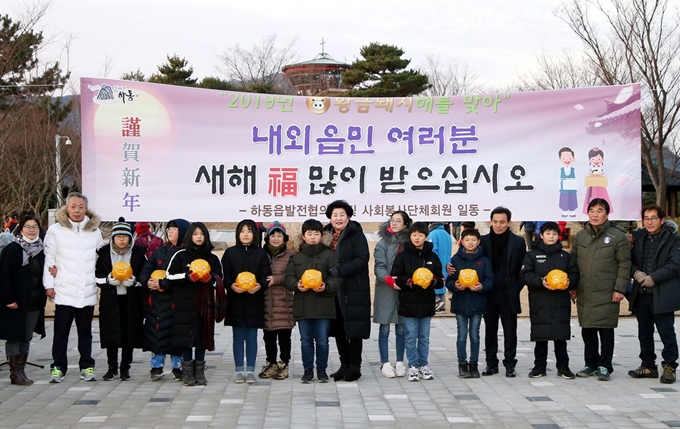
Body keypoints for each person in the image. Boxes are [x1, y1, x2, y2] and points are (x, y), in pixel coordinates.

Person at [43, 192, 104, 383]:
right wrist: (49, 285)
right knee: (61, 331)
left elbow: (101, 258)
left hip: (86, 290)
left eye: (81, 207)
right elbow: (49, 259)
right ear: (66, 208)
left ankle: (86, 366)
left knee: (85, 332)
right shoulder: (55, 230)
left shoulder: (94, 231)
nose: (77, 211)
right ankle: (58, 367)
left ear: (86, 209)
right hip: (64, 290)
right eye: (73, 206)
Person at [571, 198, 631, 381]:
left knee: (605, 329)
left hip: (607, 290)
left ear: (607, 213)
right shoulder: (581, 236)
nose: (595, 214)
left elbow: (624, 264)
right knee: (587, 328)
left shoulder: (617, 236)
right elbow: (572, 262)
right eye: (592, 211)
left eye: (599, 211)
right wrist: (572, 286)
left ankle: (605, 365)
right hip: (584, 290)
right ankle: (591, 364)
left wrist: (620, 288)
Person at [520, 221, 580, 379]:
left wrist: (569, 282)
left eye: (554, 234)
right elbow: (525, 275)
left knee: (560, 337)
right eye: (548, 234)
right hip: (540, 301)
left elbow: (574, 273)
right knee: (541, 337)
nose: (551, 237)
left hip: (560, 301)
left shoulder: (564, 256)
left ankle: (563, 367)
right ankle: (539, 366)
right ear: (541, 235)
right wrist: (540, 281)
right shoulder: (532, 255)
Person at [285, 219, 342, 383]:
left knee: (323, 341)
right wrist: (296, 285)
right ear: (303, 236)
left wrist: (326, 286)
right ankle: (307, 370)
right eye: (309, 234)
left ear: (321, 236)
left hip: (324, 305)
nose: (312, 237)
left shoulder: (329, 255)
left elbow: (337, 278)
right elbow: (288, 277)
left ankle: (322, 370)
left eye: (316, 234)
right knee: (305, 340)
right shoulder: (297, 257)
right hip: (303, 305)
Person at [167, 222, 224, 386]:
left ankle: (199, 372)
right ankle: (187, 373)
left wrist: (211, 280)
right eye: (195, 234)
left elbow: (221, 280)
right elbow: (169, 276)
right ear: (189, 236)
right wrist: (187, 277)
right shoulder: (180, 255)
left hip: (204, 305)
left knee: (202, 338)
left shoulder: (212, 258)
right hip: (184, 304)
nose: (199, 237)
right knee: (186, 339)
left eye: (202, 234)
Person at [628, 204, 680, 384]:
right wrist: (636, 273)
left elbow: (675, 265)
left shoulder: (673, 240)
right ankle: (648, 365)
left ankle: (670, 366)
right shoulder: (639, 237)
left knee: (666, 331)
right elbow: (630, 260)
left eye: (653, 218)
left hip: (662, 292)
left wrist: (654, 278)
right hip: (642, 293)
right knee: (644, 331)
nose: (649, 222)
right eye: (647, 218)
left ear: (662, 220)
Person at [324, 200, 371, 382]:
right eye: (335, 215)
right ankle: (344, 364)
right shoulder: (326, 234)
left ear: (348, 216)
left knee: (354, 327)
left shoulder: (356, 234)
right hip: (333, 289)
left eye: (342, 215)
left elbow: (362, 258)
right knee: (338, 328)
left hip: (354, 288)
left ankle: (355, 366)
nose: (338, 218)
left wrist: (341, 270)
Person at [94, 218, 146, 381]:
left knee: (128, 334)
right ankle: (112, 367)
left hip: (131, 301)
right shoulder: (103, 254)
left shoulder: (138, 253)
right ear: (113, 237)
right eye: (118, 236)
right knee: (111, 333)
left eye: (125, 236)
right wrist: (108, 281)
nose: (122, 239)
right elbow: (97, 277)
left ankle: (125, 367)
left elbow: (145, 275)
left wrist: (136, 282)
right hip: (111, 300)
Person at [390, 221, 443, 382]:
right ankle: (412, 365)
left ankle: (423, 365)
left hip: (426, 302)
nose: (417, 238)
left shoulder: (432, 256)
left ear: (426, 237)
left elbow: (441, 279)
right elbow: (395, 278)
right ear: (410, 236)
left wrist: (432, 281)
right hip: (408, 302)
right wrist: (409, 282)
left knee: (424, 336)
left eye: (421, 235)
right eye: (414, 234)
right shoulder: (403, 256)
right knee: (411, 336)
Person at [222, 219, 271, 384]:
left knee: (251, 337)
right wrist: (230, 285)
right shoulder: (230, 253)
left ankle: (250, 370)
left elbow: (266, 274)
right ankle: (238, 370)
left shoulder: (261, 253)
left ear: (255, 234)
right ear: (238, 233)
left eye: (249, 231)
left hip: (254, 300)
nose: (245, 234)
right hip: (235, 300)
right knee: (237, 337)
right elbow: (225, 275)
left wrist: (260, 285)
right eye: (242, 231)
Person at [479, 206, 526, 377]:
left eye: (502, 222)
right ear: (490, 222)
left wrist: (515, 288)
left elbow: (523, 269)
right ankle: (491, 363)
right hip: (489, 293)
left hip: (508, 293)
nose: (498, 225)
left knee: (510, 330)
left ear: (509, 223)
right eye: (495, 222)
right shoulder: (483, 241)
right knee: (490, 330)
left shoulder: (518, 242)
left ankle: (510, 364)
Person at [140, 218, 189, 381]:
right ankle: (156, 366)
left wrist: (163, 284)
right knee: (156, 332)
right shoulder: (160, 251)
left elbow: (183, 278)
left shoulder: (185, 253)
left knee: (175, 334)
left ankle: (178, 366)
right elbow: (146, 270)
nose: (170, 231)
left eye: (174, 229)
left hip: (175, 299)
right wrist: (148, 281)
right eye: (169, 229)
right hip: (156, 301)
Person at [0, 213, 47, 385]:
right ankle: (14, 372)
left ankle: (21, 370)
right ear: (21, 229)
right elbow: (4, 276)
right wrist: (9, 298)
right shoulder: (12, 249)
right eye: (28, 227)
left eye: (35, 227)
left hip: (34, 301)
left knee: (26, 336)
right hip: (15, 301)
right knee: (14, 336)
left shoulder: (42, 250)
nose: (32, 230)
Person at [446, 228, 493, 378]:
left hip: (477, 303)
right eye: (467, 240)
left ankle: (474, 364)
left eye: (473, 240)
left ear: (478, 241)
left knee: (475, 335)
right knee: (461, 335)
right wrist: (454, 286)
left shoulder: (484, 261)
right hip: (460, 303)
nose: (470, 242)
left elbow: (490, 280)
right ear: (462, 241)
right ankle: (462, 363)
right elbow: (449, 280)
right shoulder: (455, 259)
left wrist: (482, 286)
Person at [373, 210, 412, 378]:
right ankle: (385, 362)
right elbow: (379, 266)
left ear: (405, 224)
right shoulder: (382, 243)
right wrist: (388, 279)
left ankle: (400, 362)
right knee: (384, 328)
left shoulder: (410, 242)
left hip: (405, 289)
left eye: (398, 220)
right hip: (386, 289)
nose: (394, 223)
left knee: (402, 328)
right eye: (392, 220)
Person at [259, 221, 295, 380]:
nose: (275, 238)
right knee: (268, 336)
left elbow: (292, 276)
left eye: (279, 235)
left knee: (284, 336)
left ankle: (284, 363)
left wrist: (277, 279)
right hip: (265, 301)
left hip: (284, 302)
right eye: (272, 235)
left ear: (284, 238)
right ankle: (271, 362)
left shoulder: (290, 256)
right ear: (267, 237)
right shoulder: (261, 254)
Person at [428, 222, 452, 312]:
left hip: (437, 263)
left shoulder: (433, 234)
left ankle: (437, 302)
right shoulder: (446, 234)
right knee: (442, 283)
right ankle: (442, 306)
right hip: (446, 262)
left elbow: (432, 250)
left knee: (434, 283)